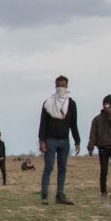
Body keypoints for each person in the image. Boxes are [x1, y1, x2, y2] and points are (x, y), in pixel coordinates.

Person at [38, 74, 80, 205]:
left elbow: (74, 124)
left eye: (63, 85)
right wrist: (42, 140)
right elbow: (43, 123)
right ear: (55, 86)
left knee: (63, 168)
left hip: (64, 141)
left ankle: (59, 195)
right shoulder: (48, 103)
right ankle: (44, 195)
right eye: (58, 85)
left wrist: (77, 141)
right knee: (48, 167)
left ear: (67, 86)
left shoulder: (71, 104)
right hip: (50, 140)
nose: (61, 88)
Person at [87, 95, 111, 199]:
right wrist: (91, 147)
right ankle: (103, 192)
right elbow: (93, 134)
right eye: (105, 103)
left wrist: (110, 114)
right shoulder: (97, 119)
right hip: (103, 149)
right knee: (104, 171)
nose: (106, 105)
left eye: (108, 104)